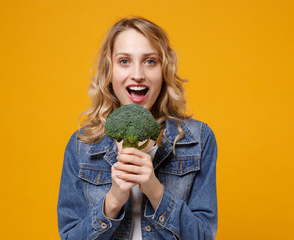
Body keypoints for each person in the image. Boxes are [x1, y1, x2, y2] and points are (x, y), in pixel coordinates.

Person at [57, 17, 218, 240]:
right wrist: (112, 201)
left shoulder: (198, 140)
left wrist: (155, 190)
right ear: (109, 70)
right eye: (124, 61)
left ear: (164, 70)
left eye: (150, 61)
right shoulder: (81, 146)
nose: (138, 74)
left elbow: (203, 236)